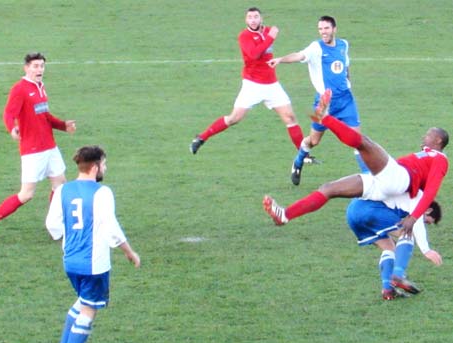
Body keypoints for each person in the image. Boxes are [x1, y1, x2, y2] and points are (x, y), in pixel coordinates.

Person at [263, 89, 449, 237]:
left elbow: (431, 189)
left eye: (429, 134)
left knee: (364, 142)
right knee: (328, 189)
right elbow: (421, 192)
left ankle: (325, 118)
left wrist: (415, 217)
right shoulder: (426, 154)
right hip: (384, 183)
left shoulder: (440, 159)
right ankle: (285, 215)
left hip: (397, 178)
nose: (424, 136)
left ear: (438, 141)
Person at [46, 146, 140, 343]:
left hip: (70, 261)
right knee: (89, 309)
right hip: (94, 264)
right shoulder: (102, 193)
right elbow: (112, 229)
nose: (105, 169)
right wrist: (129, 252)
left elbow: (52, 224)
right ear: (96, 166)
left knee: (82, 301)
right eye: (104, 164)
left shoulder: (62, 190)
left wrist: (67, 242)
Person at [189, 7, 303, 161]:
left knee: (290, 118)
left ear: (261, 18)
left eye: (256, 17)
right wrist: (271, 37)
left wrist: (269, 36)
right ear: (246, 20)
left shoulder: (268, 31)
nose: (253, 20)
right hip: (252, 85)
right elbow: (254, 54)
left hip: (272, 84)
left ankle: (304, 155)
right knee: (234, 118)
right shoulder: (244, 36)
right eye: (250, 17)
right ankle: (201, 137)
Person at [0, 52, 76, 244]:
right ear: (26, 68)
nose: (39, 70)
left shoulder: (40, 87)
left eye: (42, 66)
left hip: (50, 147)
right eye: (35, 66)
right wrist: (12, 129)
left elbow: (44, 116)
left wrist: (63, 125)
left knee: (60, 185)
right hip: (33, 151)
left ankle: (55, 226)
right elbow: (9, 114)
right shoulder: (20, 89)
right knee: (26, 194)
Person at [268, 15, 365, 186]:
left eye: (326, 28)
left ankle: (369, 179)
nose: (323, 32)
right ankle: (298, 162)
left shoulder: (344, 45)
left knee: (357, 140)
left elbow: (345, 66)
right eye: (320, 29)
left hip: (346, 100)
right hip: (323, 103)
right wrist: (281, 59)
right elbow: (298, 55)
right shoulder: (316, 48)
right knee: (313, 141)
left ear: (334, 29)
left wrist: (348, 84)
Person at [346, 194, 443, 300]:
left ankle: (388, 291)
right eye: (426, 221)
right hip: (371, 209)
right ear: (428, 210)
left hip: (352, 212)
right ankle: (398, 275)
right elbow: (417, 220)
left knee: (389, 248)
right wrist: (426, 250)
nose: (423, 223)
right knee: (406, 233)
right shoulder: (419, 200)